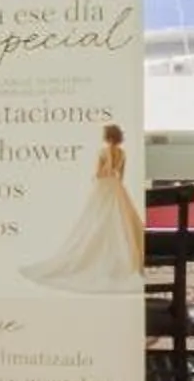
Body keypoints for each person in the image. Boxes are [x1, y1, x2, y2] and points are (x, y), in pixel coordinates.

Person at [20, 120, 145, 292]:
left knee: (95, 221)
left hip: (104, 188)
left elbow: (99, 173)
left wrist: (98, 175)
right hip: (117, 188)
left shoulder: (103, 151)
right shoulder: (122, 153)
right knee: (120, 222)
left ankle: (98, 258)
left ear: (107, 136)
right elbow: (120, 176)